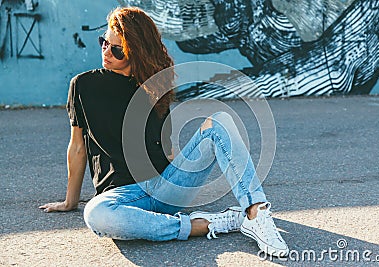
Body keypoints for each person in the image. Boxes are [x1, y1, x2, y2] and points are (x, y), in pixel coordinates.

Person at [39, 6, 289, 257]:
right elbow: (77, 146)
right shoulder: (84, 85)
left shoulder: (154, 86)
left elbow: (166, 150)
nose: (107, 52)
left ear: (135, 51)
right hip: (123, 195)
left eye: (117, 49)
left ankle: (256, 214)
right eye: (104, 42)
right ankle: (205, 225)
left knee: (220, 120)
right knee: (96, 214)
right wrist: (70, 201)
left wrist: (184, 172)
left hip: (166, 186)